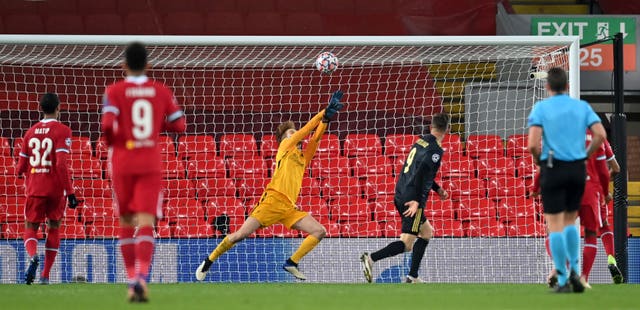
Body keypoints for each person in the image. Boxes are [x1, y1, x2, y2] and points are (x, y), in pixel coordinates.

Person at [195, 91, 344, 281]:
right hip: (271, 203)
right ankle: (209, 260)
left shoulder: (302, 158)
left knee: (319, 231)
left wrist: (327, 120)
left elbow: (314, 139)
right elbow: (306, 130)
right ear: (284, 140)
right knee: (239, 235)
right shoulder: (284, 148)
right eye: (290, 134)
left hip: (289, 208)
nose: (294, 136)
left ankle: (291, 262)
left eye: (293, 133)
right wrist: (323, 112)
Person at [101, 42, 186, 302]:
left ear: (123, 66)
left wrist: (121, 140)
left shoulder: (114, 91)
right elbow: (180, 125)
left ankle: (130, 281)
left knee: (126, 222)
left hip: (123, 162)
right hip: (149, 161)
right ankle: (142, 277)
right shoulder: (160, 90)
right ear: (148, 65)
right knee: (147, 221)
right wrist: (155, 123)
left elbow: (106, 127)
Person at [527, 67, 605, 293]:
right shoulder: (582, 107)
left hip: (553, 167)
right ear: (567, 86)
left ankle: (562, 279)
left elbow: (533, 144)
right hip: (577, 170)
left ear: (547, 86)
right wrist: (586, 155)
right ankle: (577, 273)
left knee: (555, 226)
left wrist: (538, 160)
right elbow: (600, 134)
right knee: (571, 222)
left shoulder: (541, 107)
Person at [360, 113, 450, 284]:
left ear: (431, 127)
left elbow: (419, 171)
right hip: (412, 199)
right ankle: (370, 259)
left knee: (426, 233)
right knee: (407, 243)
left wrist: (437, 189)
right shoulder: (435, 151)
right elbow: (421, 174)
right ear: (448, 129)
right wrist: (417, 201)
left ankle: (412, 276)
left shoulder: (421, 141)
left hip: (402, 191)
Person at [16, 93, 78, 285]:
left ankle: (33, 256)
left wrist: (27, 172)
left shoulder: (30, 132)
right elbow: (61, 164)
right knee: (54, 227)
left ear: (40, 108)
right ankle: (45, 275)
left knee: (30, 227)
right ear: (58, 108)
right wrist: (70, 192)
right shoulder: (63, 130)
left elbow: (19, 169)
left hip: (35, 187)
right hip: (56, 190)